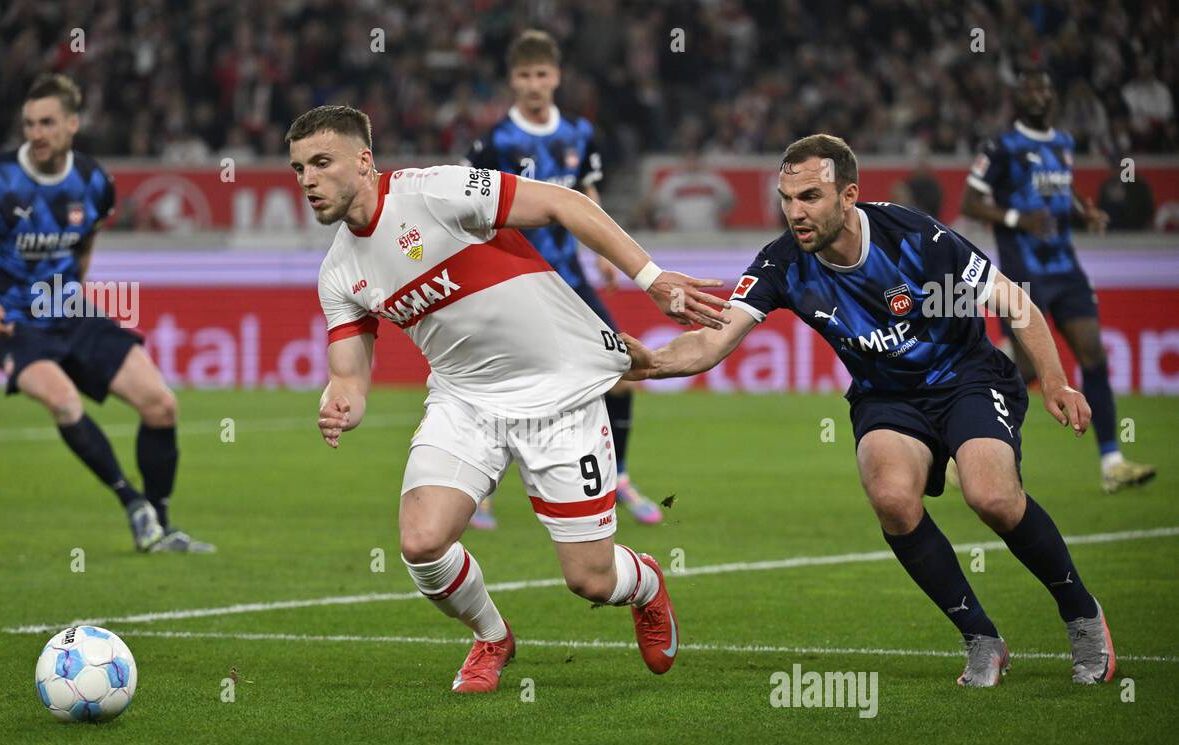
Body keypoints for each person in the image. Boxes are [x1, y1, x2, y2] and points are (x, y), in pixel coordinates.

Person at [622, 133, 1116, 688]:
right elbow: (713, 342)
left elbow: (1016, 304)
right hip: (886, 395)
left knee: (992, 497)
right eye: (786, 198)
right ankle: (981, 638)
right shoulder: (782, 264)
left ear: (849, 195)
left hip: (965, 378)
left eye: (809, 196)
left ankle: (1080, 614)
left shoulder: (916, 238)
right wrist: (645, 362)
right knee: (891, 497)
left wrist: (1054, 380)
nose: (794, 212)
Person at [292, 105, 725, 692]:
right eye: (298, 170)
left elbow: (564, 203)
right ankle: (492, 636)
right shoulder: (339, 273)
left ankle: (644, 582)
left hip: (561, 392)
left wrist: (652, 278)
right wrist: (341, 402)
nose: (308, 181)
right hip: (466, 402)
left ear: (364, 161)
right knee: (421, 543)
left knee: (591, 581)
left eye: (321, 163)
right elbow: (349, 377)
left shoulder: (435, 191)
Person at [0, 74, 212, 553]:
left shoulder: (94, 182)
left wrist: (76, 287)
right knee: (65, 402)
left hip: (70, 311)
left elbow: (87, 238)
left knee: (162, 404)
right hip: (12, 322)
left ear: (72, 123)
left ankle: (161, 526)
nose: (37, 133)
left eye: (47, 122)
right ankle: (132, 504)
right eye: (29, 124)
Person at [462, 29, 663, 530]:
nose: (534, 84)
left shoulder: (578, 133)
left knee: (621, 373)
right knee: (505, 384)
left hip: (571, 278)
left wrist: (607, 257)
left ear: (557, 77)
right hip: (514, 281)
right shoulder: (494, 142)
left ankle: (617, 477)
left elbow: (587, 197)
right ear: (512, 80)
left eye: (543, 74)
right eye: (525, 75)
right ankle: (480, 490)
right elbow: (469, 209)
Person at [962, 67, 1155, 493]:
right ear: (1018, 99)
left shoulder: (1064, 143)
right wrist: (1017, 218)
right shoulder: (1001, 146)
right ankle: (966, 441)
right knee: (1026, 368)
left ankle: (1112, 462)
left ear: (1053, 97)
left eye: (1044, 88)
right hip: (1022, 271)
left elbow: (1058, 190)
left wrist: (1082, 211)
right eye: (1028, 88)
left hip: (1065, 268)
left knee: (1093, 355)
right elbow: (970, 203)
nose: (1037, 95)